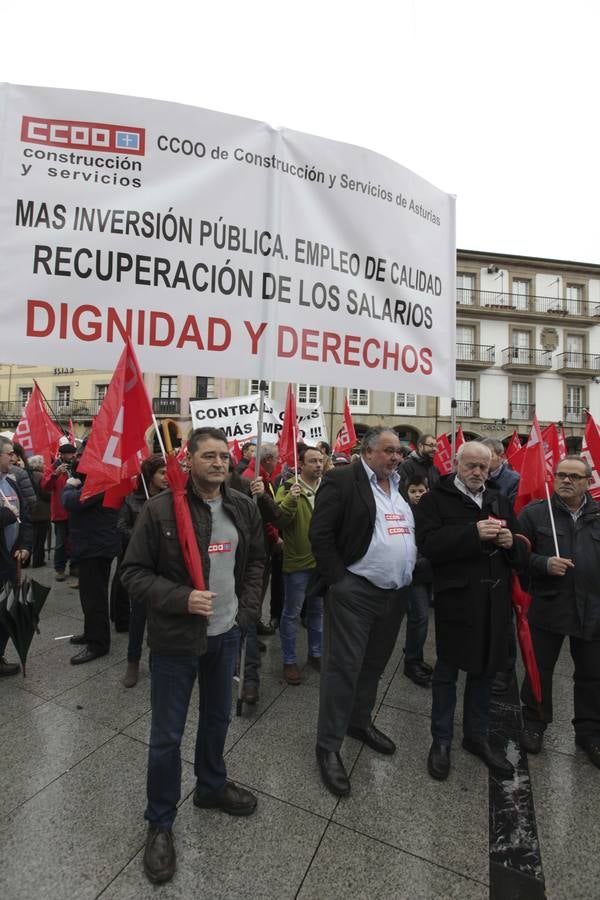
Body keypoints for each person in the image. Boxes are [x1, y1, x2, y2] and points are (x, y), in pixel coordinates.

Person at [120, 427, 265, 885]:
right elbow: (133, 573)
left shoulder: (242, 506)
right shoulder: (161, 509)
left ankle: (210, 784)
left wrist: (247, 609)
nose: (220, 463)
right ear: (189, 460)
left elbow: (257, 560)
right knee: (167, 735)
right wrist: (181, 597)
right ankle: (160, 821)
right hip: (176, 641)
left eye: (225, 456)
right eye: (209, 456)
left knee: (218, 718)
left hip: (225, 636)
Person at [309, 427, 415, 796]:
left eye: (398, 451)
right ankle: (329, 746)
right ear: (367, 452)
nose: (395, 457)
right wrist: (339, 581)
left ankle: (359, 722)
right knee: (343, 668)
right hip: (355, 592)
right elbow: (319, 535)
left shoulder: (398, 486)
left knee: (373, 665)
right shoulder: (342, 479)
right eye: (388, 450)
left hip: (394, 594)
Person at [415, 441, 526, 781]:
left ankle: (476, 736)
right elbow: (429, 545)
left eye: (484, 466)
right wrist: (471, 533)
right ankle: (442, 740)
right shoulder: (435, 499)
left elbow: (519, 547)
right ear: (456, 464)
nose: (478, 472)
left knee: (485, 672)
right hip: (456, 600)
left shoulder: (499, 499)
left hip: (494, 601)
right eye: (471, 466)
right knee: (447, 674)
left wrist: (512, 544)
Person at [517, 456, 600, 769]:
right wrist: (542, 564)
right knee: (541, 669)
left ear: (587, 482)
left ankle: (590, 732)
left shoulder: (597, 514)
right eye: (562, 474)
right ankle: (535, 723)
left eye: (575, 477)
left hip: (593, 609)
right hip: (549, 604)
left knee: (592, 674)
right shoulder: (536, 513)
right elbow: (516, 555)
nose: (566, 480)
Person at [119, 455, 169, 688]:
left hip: (166, 568)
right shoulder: (132, 501)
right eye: (161, 473)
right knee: (138, 617)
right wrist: (143, 538)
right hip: (142, 568)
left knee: (162, 617)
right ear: (150, 476)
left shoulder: (171, 500)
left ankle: (159, 660)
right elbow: (121, 526)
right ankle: (133, 661)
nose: (166, 477)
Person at [62, 464, 120, 664]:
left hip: (95, 547)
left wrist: (69, 486)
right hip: (93, 545)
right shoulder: (100, 480)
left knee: (94, 598)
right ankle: (90, 632)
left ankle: (98, 644)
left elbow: (72, 502)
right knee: (90, 595)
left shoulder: (101, 482)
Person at [276, 445, 324, 685]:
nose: (318, 465)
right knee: (292, 613)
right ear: (301, 464)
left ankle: (316, 654)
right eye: (313, 461)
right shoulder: (287, 487)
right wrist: (292, 499)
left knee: (318, 611)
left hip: (322, 562)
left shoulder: (327, 487)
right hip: (298, 561)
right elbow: (279, 519)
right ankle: (289, 660)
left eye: (320, 460)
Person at [240, 442, 282, 704]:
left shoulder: (261, 479)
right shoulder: (246, 479)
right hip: (245, 553)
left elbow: (271, 513)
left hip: (258, 551)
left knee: (254, 600)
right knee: (250, 602)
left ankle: (252, 638)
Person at [482, 437, 521, 695]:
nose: (480, 464)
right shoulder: (476, 475)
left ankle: (505, 669)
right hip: (479, 550)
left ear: (499, 456)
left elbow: (515, 514)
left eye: (486, 456)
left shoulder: (513, 480)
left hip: (503, 551)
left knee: (504, 618)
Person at [0, 436, 32, 676]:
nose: (14, 457)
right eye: (9, 453)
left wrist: (24, 545)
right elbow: (10, 517)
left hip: (11, 560)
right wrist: (4, 516)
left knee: (6, 611)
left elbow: (26, 518)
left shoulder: (12, 482)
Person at [402, 477, 434, 687]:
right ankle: (411, 662)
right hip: (415, 574)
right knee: (419, 617)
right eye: (413, 491)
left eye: (421, 490)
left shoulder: (432, 511)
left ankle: (415, 653)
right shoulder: (404, 513)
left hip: (430, 572)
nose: (418, 494)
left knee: (420, 619)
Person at [41, 443, 78, 581]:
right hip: (60, 511)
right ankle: (60, 569)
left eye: (73, 453)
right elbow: (45, 486)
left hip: (74, 510)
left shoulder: (75, 466)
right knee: (61, 543)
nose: (72, 456)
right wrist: (55, 474)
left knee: (75, 540)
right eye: (70, 454)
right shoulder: (52, 468)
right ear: (62, 455)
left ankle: (74, 566)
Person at [27, 455, 51, 567]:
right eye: (43, 464)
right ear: (39, 465)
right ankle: (37, 561)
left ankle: (24, 561)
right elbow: (45, 494)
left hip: (29, 510)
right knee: (40, 539)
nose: (44, 466)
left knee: (28, 538)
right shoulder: (42, 476)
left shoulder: (26, 475)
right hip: (41, 511)